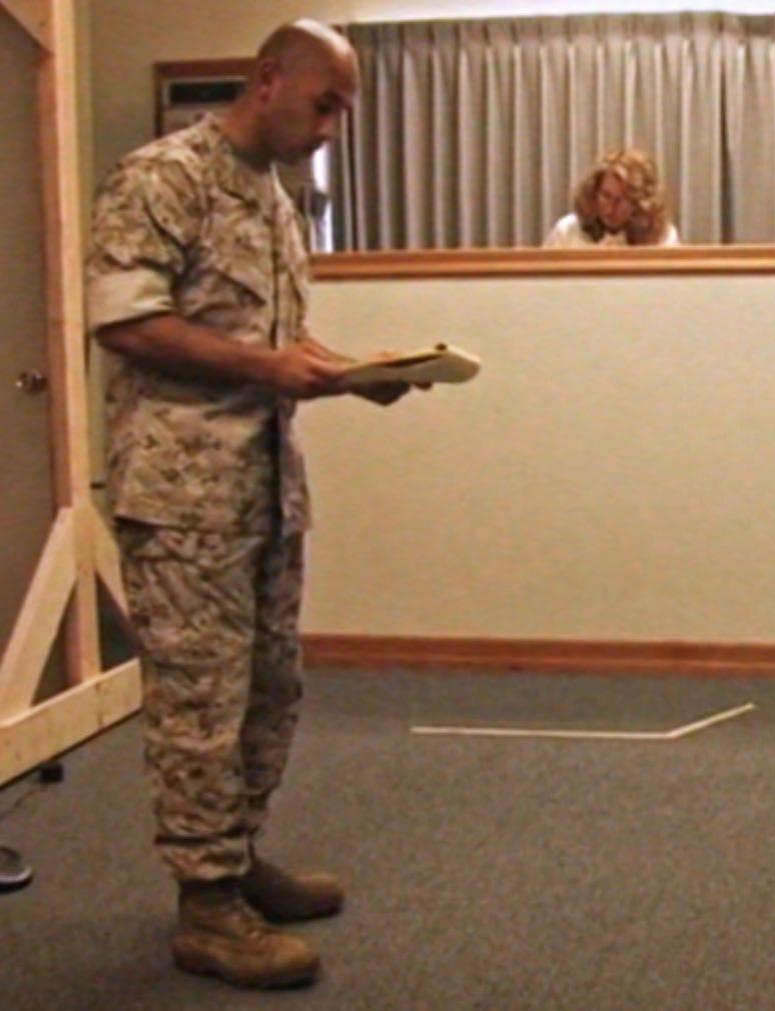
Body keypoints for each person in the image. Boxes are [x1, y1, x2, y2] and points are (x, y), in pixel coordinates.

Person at [86, 19, 416, 990]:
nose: (332, 127)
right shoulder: (162, 178)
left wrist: (351, 374)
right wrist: (269, 366)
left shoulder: (275, 200)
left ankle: (238, 859)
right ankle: (205, 907)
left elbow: (279, 339)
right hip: (181, 495)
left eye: (344, 111)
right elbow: (128, 323)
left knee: (268, 692)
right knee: (201, 702)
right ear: (269, 80)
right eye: (326, 104)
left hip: (264, 488)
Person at [544, 148, 680, 247]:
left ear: (641, 203)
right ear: (594, 192)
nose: (611, 208)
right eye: (605, 196)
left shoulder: (662, 236)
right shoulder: (567, 232)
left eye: (622, 200)